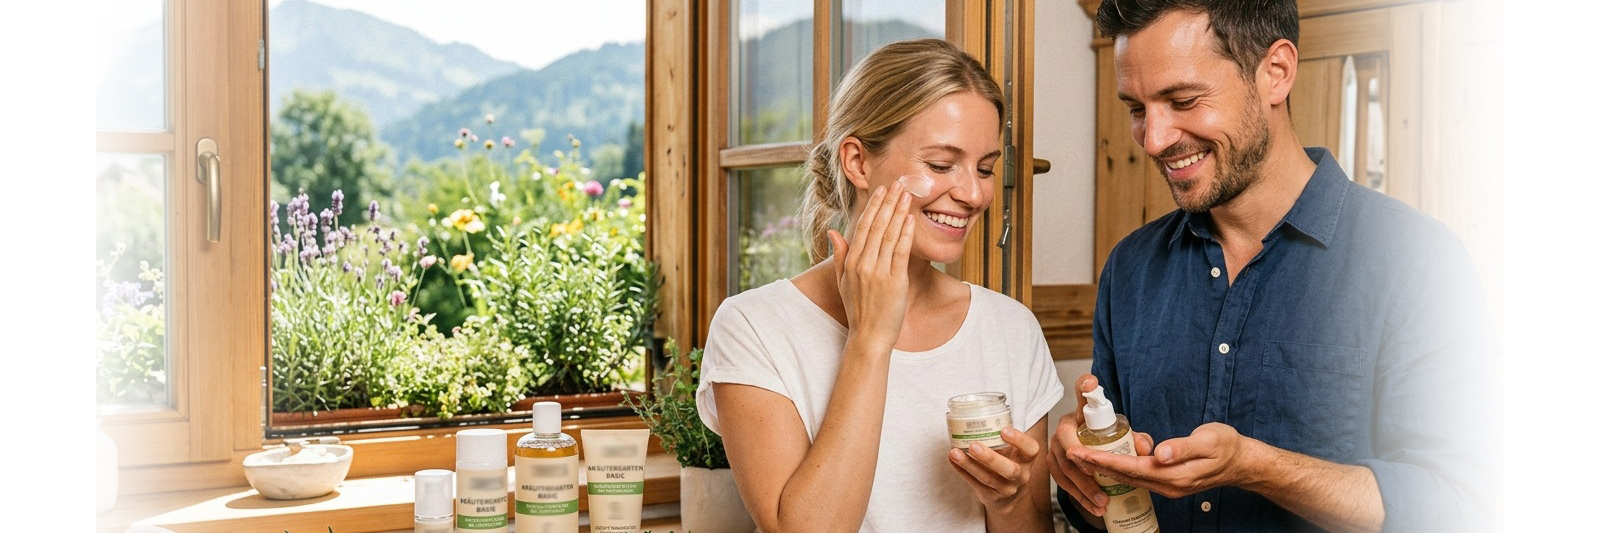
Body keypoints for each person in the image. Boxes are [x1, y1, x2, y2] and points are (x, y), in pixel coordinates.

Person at [1046, 1, 1498, 532]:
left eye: (1183, 100)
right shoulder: (1131, 268)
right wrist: (1083, 472)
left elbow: (1456, 505)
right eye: (1137, 109)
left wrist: (1258, 468)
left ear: (1276, 73)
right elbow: (1111, 506)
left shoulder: (1418, 262)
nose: (1155, 138)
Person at [694, 39, 1063, 533]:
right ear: (858, 162)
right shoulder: (754, 328)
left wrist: (1009, 501)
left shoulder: (1010, 328)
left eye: (985, 169)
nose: (974, 194)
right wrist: (869, 339)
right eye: (940, 164)